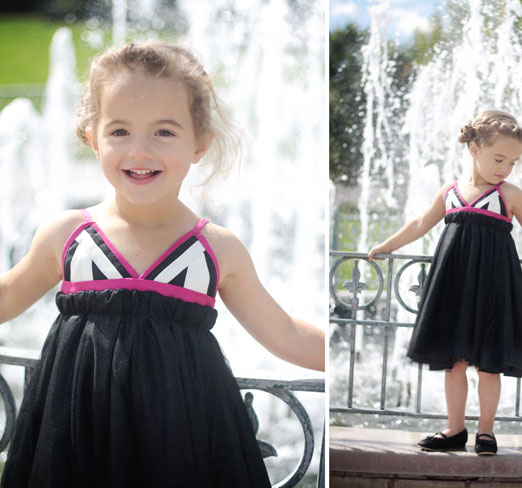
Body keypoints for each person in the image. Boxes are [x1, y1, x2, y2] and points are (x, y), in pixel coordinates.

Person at [0, 42, 324, 487]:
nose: (140, 151)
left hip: (181, 440)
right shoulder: (66, 236)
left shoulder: (216, 249)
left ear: (199, 143)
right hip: (78, 438)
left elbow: (284, 333)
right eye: (119, 132)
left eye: (164, 132)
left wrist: (339, 358)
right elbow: (7, 299)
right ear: (91, 138)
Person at [368, 110, 522, 456]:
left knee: (488, 364)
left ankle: (486, 432)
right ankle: (454, 429)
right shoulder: (450, 192)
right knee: (455, 362)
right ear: (473, 148)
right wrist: (387, 245)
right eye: (498, 158)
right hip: (455, 285)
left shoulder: (509, 194)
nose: (505, 168)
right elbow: (420, 222)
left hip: (494, 287)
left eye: (513, 162)